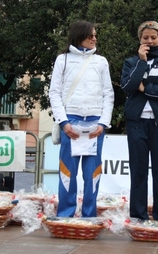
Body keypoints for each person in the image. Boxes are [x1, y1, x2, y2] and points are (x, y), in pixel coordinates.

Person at [49, 20, 114, 217]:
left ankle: (89, 215)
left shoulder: (101, 61)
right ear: (79, 37)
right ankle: (66, 215)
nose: (94, 39)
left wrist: (103, 123)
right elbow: (54, 92)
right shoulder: (63, 60)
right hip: (70, 122)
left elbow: (108, 94)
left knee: (91, 173)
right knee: (68, 172)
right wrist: (64, 122)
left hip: (95, 123)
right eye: (90, 36)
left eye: (95, 35)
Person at [120, 21, 158, 220]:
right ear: (140, 39)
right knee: (138, 172)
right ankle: (139, 216)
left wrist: (146, 89)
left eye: (153, 38)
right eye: (145, 38)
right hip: (136, 123)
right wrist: (141, 61)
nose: (149, 41)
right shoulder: (131, 62)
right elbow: (128, 86)